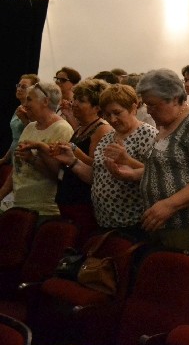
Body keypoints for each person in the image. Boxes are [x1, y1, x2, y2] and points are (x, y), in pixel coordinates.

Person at [111, 69, 189, 295]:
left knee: (186, 290)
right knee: (165, 289)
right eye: (147, 105)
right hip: (164, 223)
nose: (149, 111)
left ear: (174, 98)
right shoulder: (166, 123)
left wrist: (169, 204)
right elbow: (167, 169)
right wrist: (133, 174)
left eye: (153, 105)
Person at [50, 84, 157, 238]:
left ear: (133, 108)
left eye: (117, 113)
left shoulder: (148, 134)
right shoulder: (108, 137)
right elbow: (96, 176)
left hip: (133, 223)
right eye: (107, 114)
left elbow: (156, 175)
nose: (112, 119)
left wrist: (128, 162)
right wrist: (73, 161)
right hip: (104, 222)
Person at [50, 79, 113, 243]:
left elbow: (96, 167)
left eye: (81, 101)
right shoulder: (81, 127)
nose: (75, 103)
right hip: (69, 197)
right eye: (75, 98)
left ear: (97, 107)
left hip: (83, 200)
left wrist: (73, 151)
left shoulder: (102, 129)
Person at [0, 83, 74, 218]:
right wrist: (2, 193)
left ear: (45, 101)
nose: (25, 105)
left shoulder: (62, 130)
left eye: (29, 99)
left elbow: (58, 175)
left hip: (43, 210)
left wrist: (32, 159)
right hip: (18, 204)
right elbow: (17, 167)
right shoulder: (30, 127)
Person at [1, 74, 38, 169]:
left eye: (24, 87)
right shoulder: (19, 108)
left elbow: (35, 133)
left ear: (33, 90)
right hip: (14, 154)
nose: (19, 89)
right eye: (18, 85)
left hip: (25, 155)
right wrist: (5, 159)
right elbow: (15, 139)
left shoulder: (34, 110)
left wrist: (24, 120)